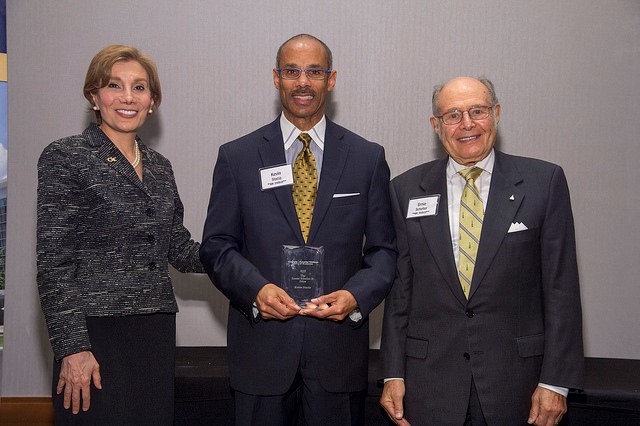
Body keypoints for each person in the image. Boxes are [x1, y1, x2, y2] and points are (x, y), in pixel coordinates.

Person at [200, 34, 396, 425]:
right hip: (261, 355)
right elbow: (217, 246)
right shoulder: (237, 157)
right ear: (276, 78)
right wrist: (255, 290)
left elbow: (384, 251)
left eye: (314, 71)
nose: (302, 82)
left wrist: (356, 297)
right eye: (292, 71)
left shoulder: (367, 158)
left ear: (331, 79)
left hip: (337, 356)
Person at [379, 76, 583, 426]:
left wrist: (556, 381)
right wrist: (393, 374)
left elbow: (561, 290)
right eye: (453, 115)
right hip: (429, 384)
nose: (467, 124)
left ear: (497, 114)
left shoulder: (542, 183)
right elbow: (401, 294)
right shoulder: (405, 190)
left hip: (519, 384)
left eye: (478, 111)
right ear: (436, 125)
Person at [36, 45, 203, 424]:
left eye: (140, 88)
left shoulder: (161, 167)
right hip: (94, 333)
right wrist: (72, 348)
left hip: (153, 330)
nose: (128, 97)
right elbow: (53, 263)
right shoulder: (66, 156)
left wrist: (236, 249)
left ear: (153, 101)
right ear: (94, 96)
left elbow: (178, 248)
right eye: (115, 85)